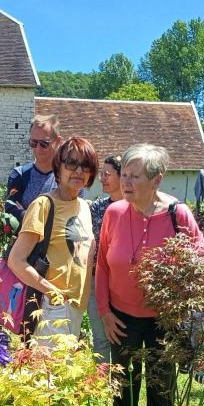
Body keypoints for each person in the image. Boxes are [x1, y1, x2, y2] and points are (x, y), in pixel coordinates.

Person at [95, 143, 204, 406]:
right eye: (125, 175)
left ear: (157, 180)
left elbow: (199, 262)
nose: (125, 183)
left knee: (161, 389)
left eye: (135, 176)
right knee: (123, 391)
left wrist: (181, 302)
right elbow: (102, 263)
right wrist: (104, 312)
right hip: (120, 319)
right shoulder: (114, 213)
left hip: (163, 322)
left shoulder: (177, 215)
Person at [8, 137, 97, 342]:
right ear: (58, 167)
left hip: (76, 307)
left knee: (63, 372)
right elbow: (16, 261)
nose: (78, 170)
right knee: (47, 372)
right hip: (51, 306)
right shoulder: (44, 205)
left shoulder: (84, 206)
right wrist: (53, 292)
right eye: (71, 163)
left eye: (85, 165)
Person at [88, 154, 123, 363]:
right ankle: (101, 391)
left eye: (107, 174)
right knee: (100, 339)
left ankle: (120, 387)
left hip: (122, 282)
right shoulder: (97, 208)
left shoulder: (133, 209)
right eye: (101, 173)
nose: (102, 178)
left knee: (121, 338)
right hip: (96, 279)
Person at [4, 115, 63, 227]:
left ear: (57, 141)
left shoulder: (68, 177)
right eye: (33, 143)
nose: (38, 148)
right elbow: (10, 212)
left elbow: (70, 214)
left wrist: (25, 213)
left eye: (44, 143)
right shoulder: (19, 175)